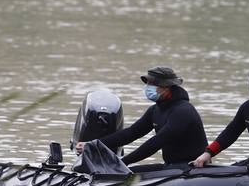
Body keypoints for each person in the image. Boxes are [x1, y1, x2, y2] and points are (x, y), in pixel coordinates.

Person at [76, 65, 208, 167]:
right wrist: (94, 144)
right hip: (172, 166)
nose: (148, 87)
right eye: (147, 83)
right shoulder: (155, 110)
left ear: (167, 87)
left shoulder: (183, 111)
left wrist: (123, 162)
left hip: (192, 167)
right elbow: (131, 133)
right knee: (124, 173)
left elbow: (156, 142)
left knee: (123, 172)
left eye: (152, 84)